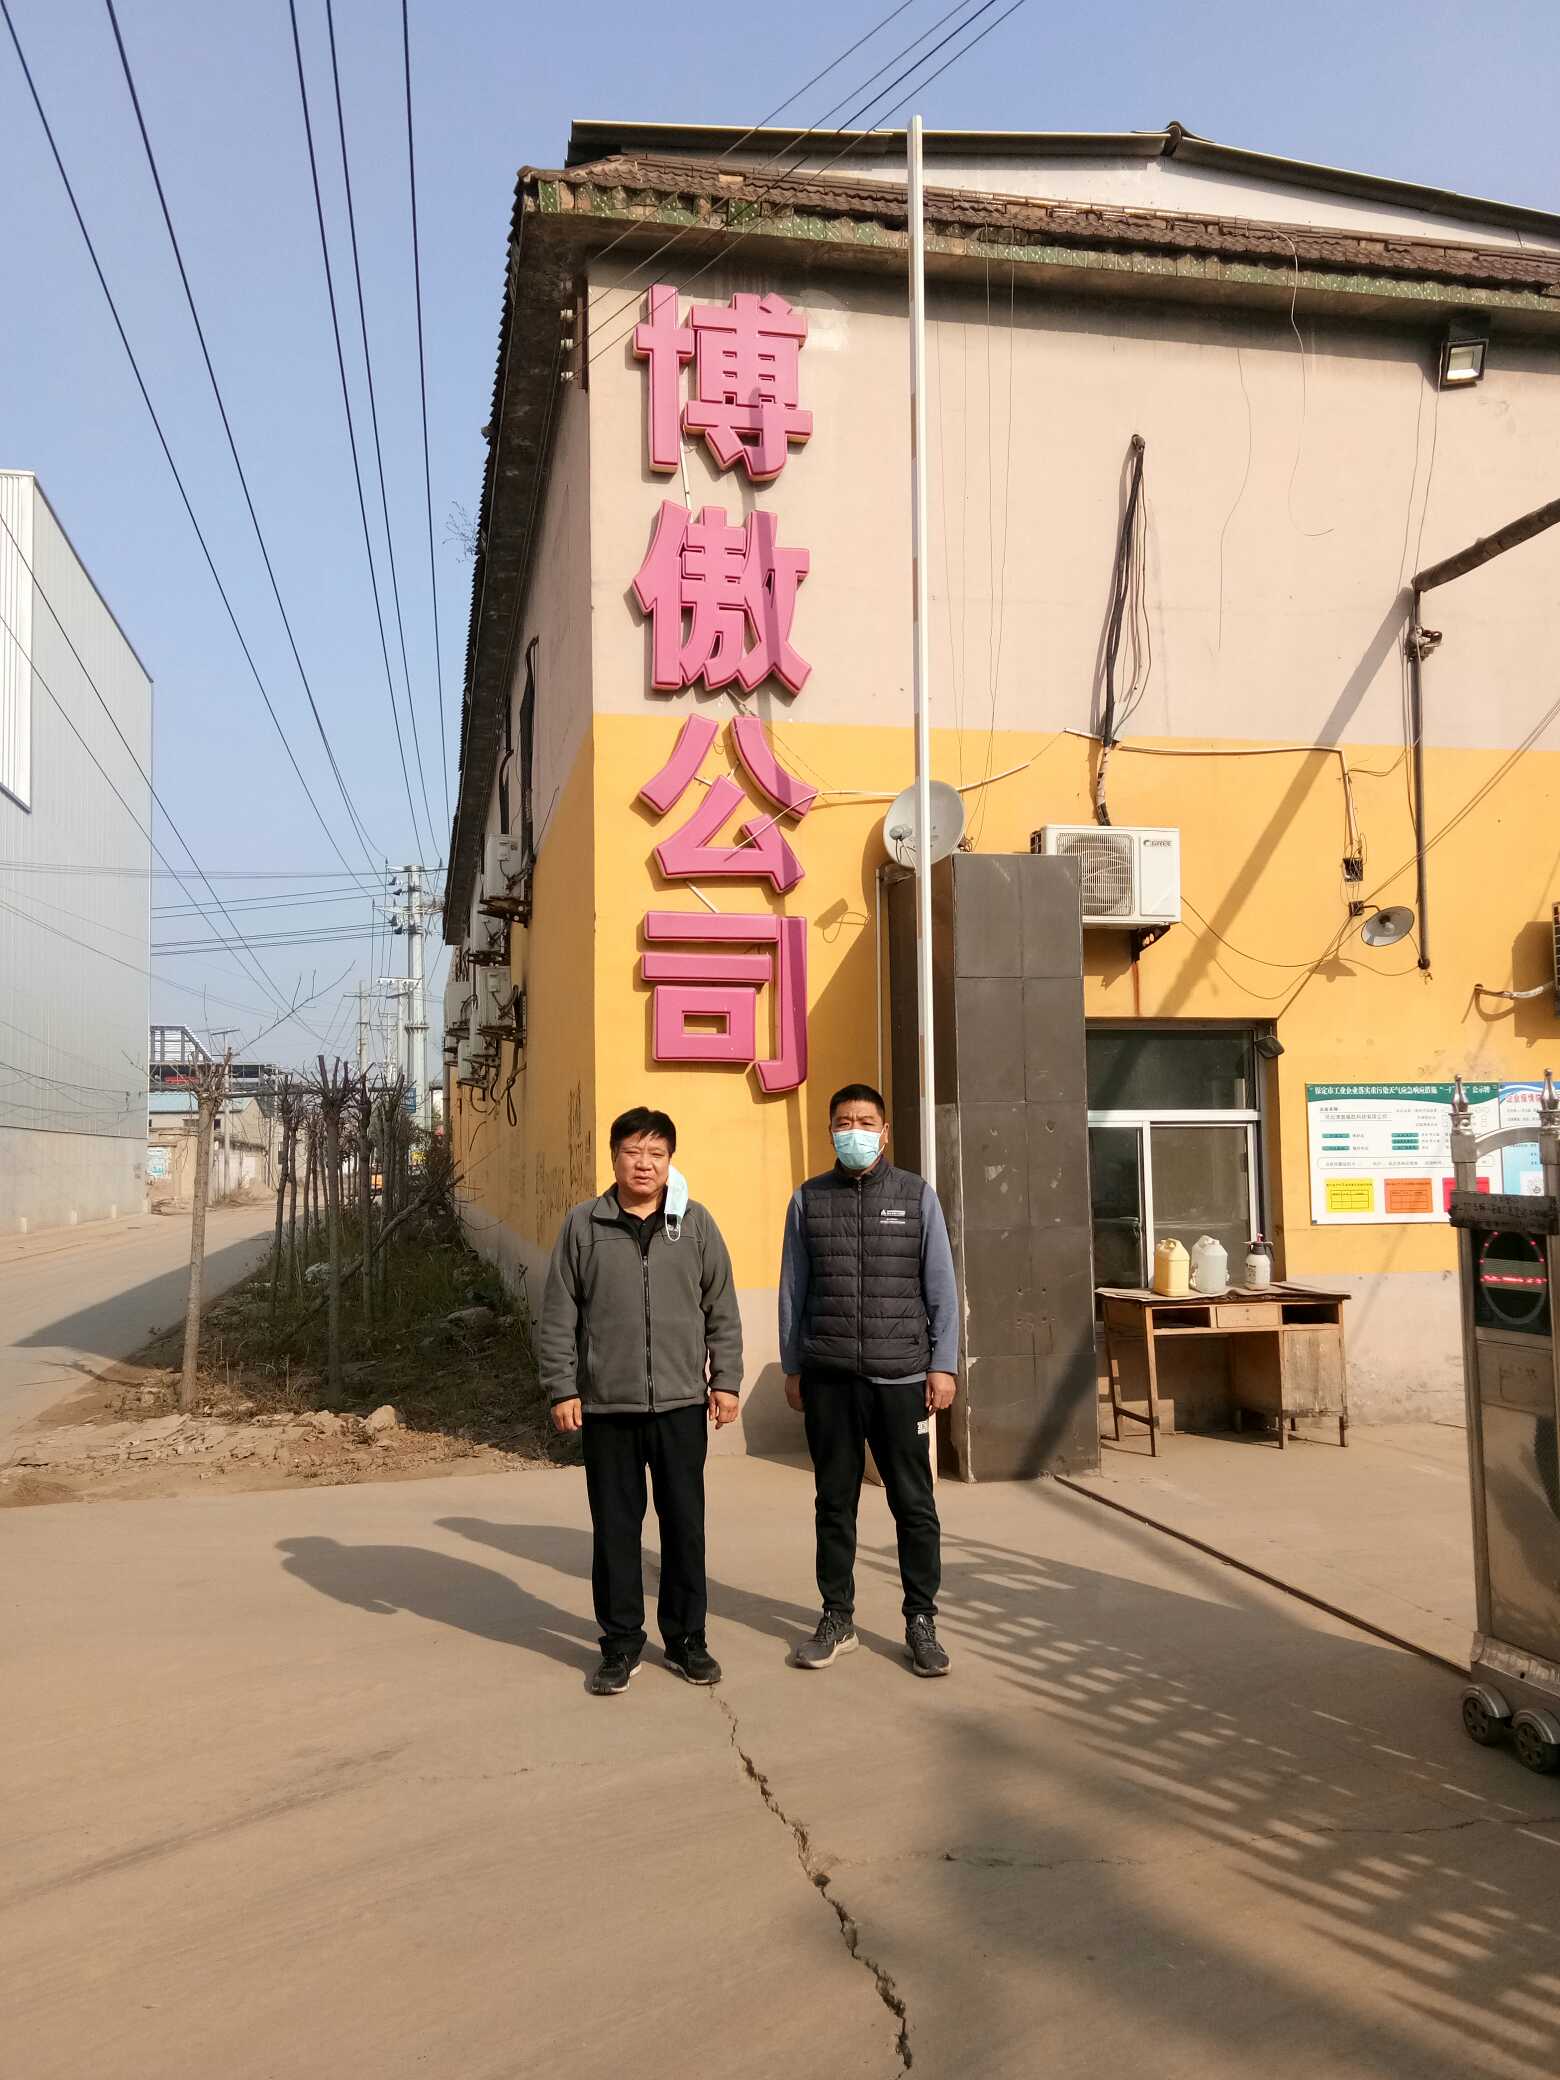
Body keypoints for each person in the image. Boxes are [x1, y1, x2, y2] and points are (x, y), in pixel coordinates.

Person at [539, 1106, 742, 1696]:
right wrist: (563, 1387)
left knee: (684, 1528)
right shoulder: (584, 1225)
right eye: (633, 1151)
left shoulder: (695, 1224)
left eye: (656, 1153)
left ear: (670, 1161)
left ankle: (686, 1639)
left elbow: (721, 1308)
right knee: (616, 1531)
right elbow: (559, 1314)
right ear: (614, 1158)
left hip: (681, 1405)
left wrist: (726, 1380)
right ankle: (621, 1643)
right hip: (609, 1408)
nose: (644, 1163)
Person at [779, 1083, 959, 1678]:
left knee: (914, 1504)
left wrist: (943, 1364)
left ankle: (921, 1620)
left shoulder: (916, 1195)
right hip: (829, 1377)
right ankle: (837, 1617)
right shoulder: (809, 1199)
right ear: (830, 1131)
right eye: (843, 1122)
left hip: (901, 1376)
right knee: (834, 1503)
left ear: (884, 1132)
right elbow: (793, 1289)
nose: (853, 1131)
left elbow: (940, 1285)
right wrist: (793, 1365)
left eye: (864, 1121)